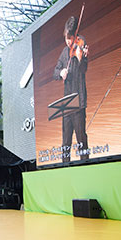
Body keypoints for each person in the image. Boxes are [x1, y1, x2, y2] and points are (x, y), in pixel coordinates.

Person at [53, 15, 89, 162]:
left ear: (76, 36)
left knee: (81, 137)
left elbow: (83, 69)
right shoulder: (63, 52)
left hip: (78, 100)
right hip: (67, 102)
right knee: (65, 139)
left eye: (70, 38)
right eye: (66, 39)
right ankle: (64, 166)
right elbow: (55, 72)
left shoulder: (80, 49)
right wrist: (61, 72)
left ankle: (85, 162)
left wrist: (83, 57)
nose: (68, 42)